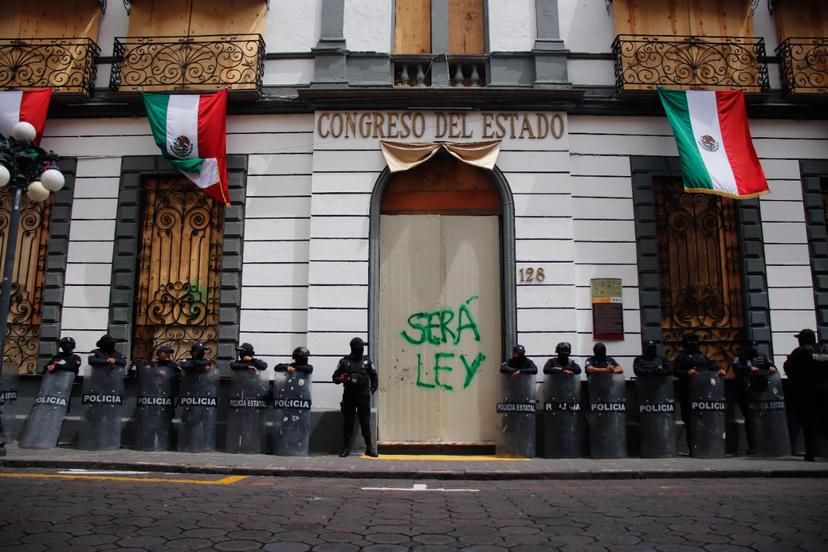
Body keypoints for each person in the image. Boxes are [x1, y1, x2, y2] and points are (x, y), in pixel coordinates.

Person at [784, 329, 828, 461]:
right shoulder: (825, 350)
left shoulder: (801, 351)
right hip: (825, 390)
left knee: (808, 423)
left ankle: (810, 454)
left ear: (803, 339)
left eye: (799, 338)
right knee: (825, 422)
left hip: (807, 391)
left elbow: (788, 367)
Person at [673, 333, 723, 449]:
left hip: (705, 393)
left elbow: (712, 367)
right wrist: (687, 373)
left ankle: (706, 446)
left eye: (696, 341)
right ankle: (693, 447)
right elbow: (676, 371)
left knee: (706, 420)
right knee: (691, 421)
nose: (694, 344)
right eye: (691, 341)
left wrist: (718, 371)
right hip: (688, 393)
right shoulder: (682, 357)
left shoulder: (701, 356)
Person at [333, 338, 378, 458]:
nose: (361, 350)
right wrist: (342, 379)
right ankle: (346, 448)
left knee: (365, 423)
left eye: (362, 347)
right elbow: (335, 378)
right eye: (359, 348)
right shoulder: (344, 362)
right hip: (349, 396)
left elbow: (374, 378)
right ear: (353, 349)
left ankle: (369, 448)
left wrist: (371, 391)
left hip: (363, 396)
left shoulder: (366, 361)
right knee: (348, 423)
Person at [732, 339, 777, 455]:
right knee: (750, 418)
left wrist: (771, 368)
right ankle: (752, 446)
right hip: (746, 391)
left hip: (762, 391)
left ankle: (766, 444)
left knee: (764, 418)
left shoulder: (762, 356)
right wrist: (748, 369)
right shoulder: (740, 357)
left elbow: (772, 367)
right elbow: (736, 369)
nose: (753, 350)